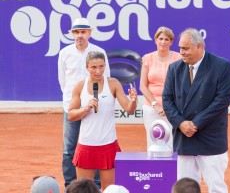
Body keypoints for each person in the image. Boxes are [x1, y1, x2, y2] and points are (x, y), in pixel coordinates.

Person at [162, 28, 230, 193]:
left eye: (185, 48)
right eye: (180, 48)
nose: (181, 52)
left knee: (216, 186)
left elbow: (222, 100)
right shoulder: (174, 69)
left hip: (210, 138)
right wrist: (181, 123)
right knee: (185, 187)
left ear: (199, 47)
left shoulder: (222, 66)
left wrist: (195, 124)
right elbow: (167, 99)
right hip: (184, 138)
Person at [68, 51, 137, 191]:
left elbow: (129, 109)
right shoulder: (80, 86)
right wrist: (85, 109)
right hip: (86, 146)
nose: (98, 71)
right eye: (94, 67)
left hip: (108, 145)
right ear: (87, 67)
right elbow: (71, 114)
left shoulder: (113, 83)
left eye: (101, 66)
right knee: (83, 190)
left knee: (109, 189)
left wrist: (134, 101)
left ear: (105, 66)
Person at [58, 17, 110, 188]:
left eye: (83, 32)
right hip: (71, 108)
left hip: (94, 106)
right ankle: (69, 186)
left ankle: (93, 187)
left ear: (89, 33)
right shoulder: (64, 53)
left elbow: (106, 79)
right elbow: (63, 81)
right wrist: (74, 102)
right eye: (76, 32)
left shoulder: (99, 51)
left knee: (94, 145)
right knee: (69, 149)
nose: (80, 35)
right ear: (72, 34)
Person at [139, 26, 181, 149]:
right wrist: (155, 104)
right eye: (160, 38)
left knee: (171, 142)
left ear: (171, 42)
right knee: (153, 141)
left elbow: (181, 84)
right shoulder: (148, 58)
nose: (163, 42)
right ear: (155, 40)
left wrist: (170, 105)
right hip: (151, 108)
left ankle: (171, 169)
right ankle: (154, 168)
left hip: (173, 108)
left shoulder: (178, 58)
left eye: (166, 39)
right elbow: (143, 85)